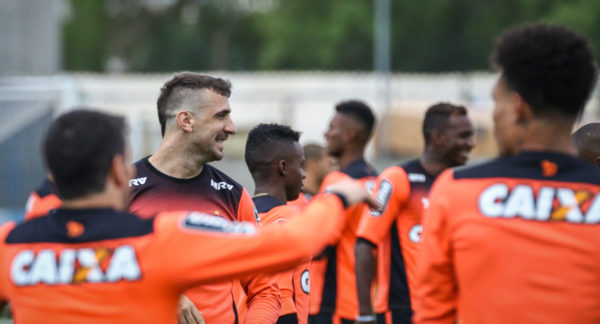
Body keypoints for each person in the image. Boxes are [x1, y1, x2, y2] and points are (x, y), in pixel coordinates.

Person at [0, 109, 379, 324]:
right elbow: (294, 243)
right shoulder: (160, 239)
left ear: (51, 175)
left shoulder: (11, 246)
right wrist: (339, 196)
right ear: (119, 171)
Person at [414, 23, 600, 324]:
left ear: (518, 108)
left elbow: (433, 314)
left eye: (496, 102)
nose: (494, 115)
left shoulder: (457, 191)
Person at [127, 72, 280, 324]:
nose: (231, 128)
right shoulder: (121, 191)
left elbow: (265, 290)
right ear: (186, 121)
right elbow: (89, 273)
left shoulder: (233, 195)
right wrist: (160, 293)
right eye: (221, 116)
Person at [354, 103, 474, 324]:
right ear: (437, 137)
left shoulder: (457, 186)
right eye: (464, 136)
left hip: (444, 310)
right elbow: (364, 244)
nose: (471, 144)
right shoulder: (397, 178)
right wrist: (364, 315)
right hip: (403, 310)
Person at [309, 100, 378, 324]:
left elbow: (317, 245)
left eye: (332, 127)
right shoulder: (378, 181)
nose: (326, 134)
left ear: (348, 135)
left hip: (333, 306)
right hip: (364, 303)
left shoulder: (338, 181)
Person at [245, 123, 310, 324]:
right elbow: (278, 297)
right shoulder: (289, 218)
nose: (304, 174)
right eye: (301, 165)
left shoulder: (241, 214)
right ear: (283, 167)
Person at [288, 144, 336, 210]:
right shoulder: (293, 204)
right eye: (330, 164)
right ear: (313, 164)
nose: (335, 170)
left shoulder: (326, 198)